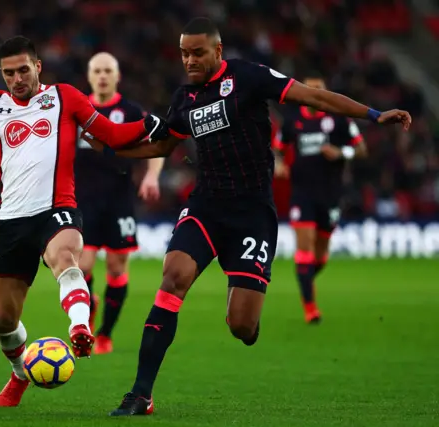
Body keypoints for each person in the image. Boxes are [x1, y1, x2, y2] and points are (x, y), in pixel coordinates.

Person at [83, 17, 411, 416]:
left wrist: (373, 114)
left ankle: (245, 309)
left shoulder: (248, 77)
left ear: (217, 51)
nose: (189, 60)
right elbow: (159, 147)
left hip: (252, 213)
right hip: (206, 205)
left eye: (197, 52)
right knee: (172, 279)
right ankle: (140, 394)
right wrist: (106, 150)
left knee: (241, 327)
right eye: (184, 53)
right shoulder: (183, 99)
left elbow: (313, 97)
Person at [0, 36, 168, 407]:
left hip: (58, 208)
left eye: (24, 69)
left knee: (65, 259)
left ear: (38, 66)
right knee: (3, 320)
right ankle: (22, 372)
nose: (17, 78)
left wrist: (153, 123)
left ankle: (80, 325)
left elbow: (112, 134)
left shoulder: (65, 97)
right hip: (11, 221)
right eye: (9, 73)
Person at [76, 52, 165, 354]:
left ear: (117, 76)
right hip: (82, 201)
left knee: (116, 267)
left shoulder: (130, 111)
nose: (102, 76)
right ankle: (87, 311)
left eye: (107, 71)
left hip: (118, 200)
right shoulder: (78, 110)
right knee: (82, 264)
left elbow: (158, 146)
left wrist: (151, 177)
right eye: (97, 71)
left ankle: (105, 334)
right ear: (89, 76)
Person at [273, 72, 368, 324]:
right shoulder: (292, 122)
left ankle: (305, 280)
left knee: (320, 256)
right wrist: (279, 163)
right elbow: (277, 150)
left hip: (330, 194)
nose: (315, 95)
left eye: (319, 89)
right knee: (304, 251)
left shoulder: (339, 121)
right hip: (302, 193)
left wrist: (340, 152)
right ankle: (310, 308)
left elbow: (361, 149)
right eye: (310, 89)